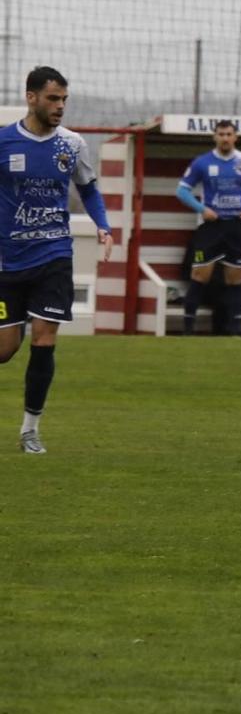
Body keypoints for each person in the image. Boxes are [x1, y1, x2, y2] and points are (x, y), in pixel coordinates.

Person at [0, 68, 114, 454]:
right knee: (5, 350)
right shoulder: (4, 142)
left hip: (54, 255)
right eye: (53, 98)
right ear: (31, 97)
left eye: (64, 99)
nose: (60, 106)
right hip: (7, 261)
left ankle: (30, 430)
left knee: (45, 339)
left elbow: (89, 188)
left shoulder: (72, 144)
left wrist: (103, 226)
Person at [176, 120, 241, 335]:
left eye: (229, 134)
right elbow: (182, 191)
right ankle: (188, 330)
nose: (225, 138)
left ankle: (234, 331)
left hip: (236, 226)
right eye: (221, 134)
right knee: (200, 276)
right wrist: (201, 209)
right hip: (211, 227)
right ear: (214, 137)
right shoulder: (202, 163)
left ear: (235, 137)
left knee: (235, 278)